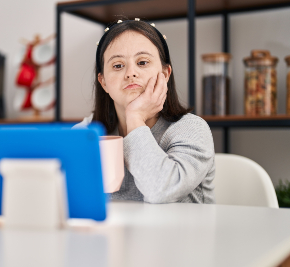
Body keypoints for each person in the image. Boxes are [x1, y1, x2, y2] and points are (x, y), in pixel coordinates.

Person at [75, 19, 215, 204]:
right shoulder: (87, 132)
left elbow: (161, 191)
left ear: (165, 74)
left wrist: (135, 118)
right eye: (118, 65)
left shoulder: (192, 129)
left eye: (142, 62)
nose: (130, 73)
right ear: (103, 82)